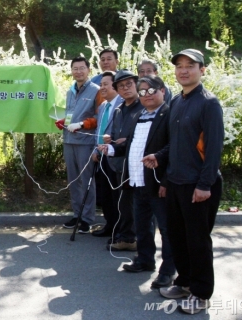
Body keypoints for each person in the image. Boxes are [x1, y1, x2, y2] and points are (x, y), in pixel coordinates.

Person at [143, 49, 224, 314]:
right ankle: (185, 282)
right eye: (179, 66)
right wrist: (161, 165)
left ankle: (201, 294)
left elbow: (213, 149)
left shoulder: (208, 103)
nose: (183, 70)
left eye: (190, 65)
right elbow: (174, 145)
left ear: (202, 70)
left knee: (197, 241)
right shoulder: (177, 101)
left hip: (197, 184)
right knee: (178, 238)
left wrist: (205, 185)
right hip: (176, 182)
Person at [99, 75, 175, 289]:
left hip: (158, 182)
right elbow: (130, 145)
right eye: (142, 92)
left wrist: (166, 181)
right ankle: (145, 260)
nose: (146, 96)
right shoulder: (139, 115)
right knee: (141, 226)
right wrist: (111, 149)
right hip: (136, 181)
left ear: (162, 91)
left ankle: (168, 270)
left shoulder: (169, 114)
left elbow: (174, 149)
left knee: (167, 229)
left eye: (151, 91)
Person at [56, 56, 99, 233]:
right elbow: (70, 114)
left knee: (86, 180)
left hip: (85, 142)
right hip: (69, 140)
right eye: (75, 68)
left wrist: (82, 124)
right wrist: (63, 122)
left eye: (82, 68)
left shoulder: (97, 91)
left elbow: (100, 117)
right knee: (73, 180)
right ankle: (77, 215)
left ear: (89, 70)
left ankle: (87, 219)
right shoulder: (70, 91)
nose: (78, 71)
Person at [103, 69, 143, 251]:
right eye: (121, 86)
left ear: (136, 85)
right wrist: (108, 141)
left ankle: (137, 239)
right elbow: (114, 133)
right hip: (119, 164)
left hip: (137, 165)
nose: (126, 89)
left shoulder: (144, 107)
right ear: (117, 90)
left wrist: (127, 141)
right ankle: (126, 236)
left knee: (137, 205)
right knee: (123, 204)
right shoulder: (119, 110)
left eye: (129, 84)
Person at [91, 71, 123, 238]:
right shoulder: (103, 105)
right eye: (101, 84)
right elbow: (99, 130)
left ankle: (120, 229)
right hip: (101, 155)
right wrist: (96, 149)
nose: (102, 87)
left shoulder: (123, 104)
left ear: (115, 85)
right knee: (105, 195)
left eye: (105, 84)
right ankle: (109, 225)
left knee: (116, 195)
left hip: (116, 157)